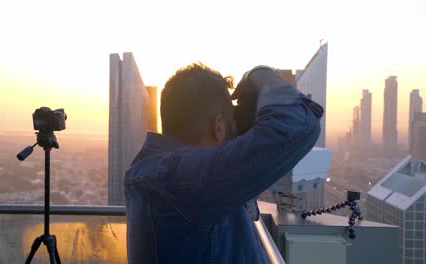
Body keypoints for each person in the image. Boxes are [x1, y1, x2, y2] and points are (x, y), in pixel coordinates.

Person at [124, 63, 323, 263]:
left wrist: (239, 130)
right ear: (218, 126)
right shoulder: (183, 181)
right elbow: (297, 127)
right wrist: (261, 74)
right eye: (232, 124)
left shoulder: (161, 174)